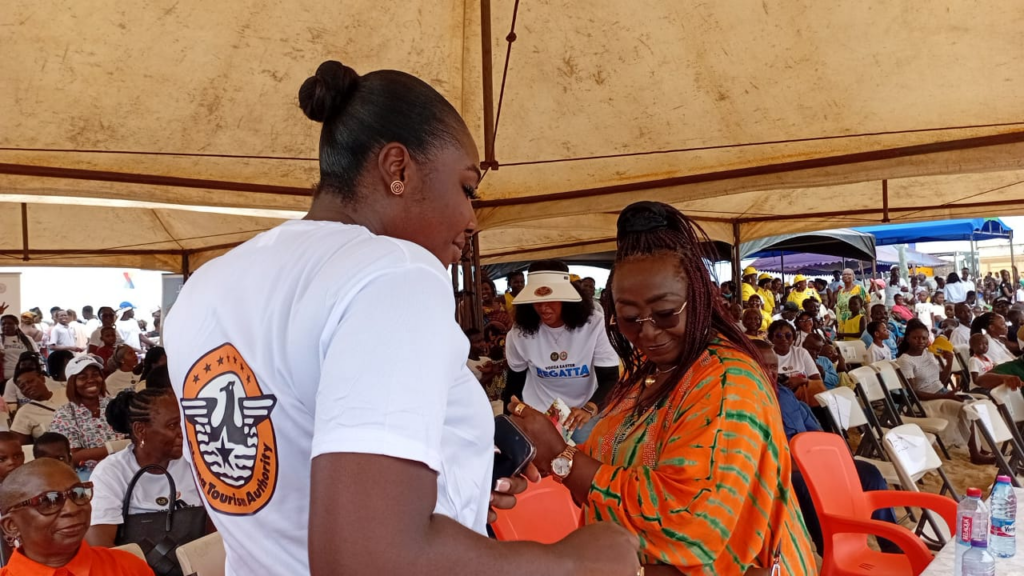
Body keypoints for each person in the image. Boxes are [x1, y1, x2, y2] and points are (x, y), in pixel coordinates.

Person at [164, 60, 639, 576]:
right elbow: (368, 558)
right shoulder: (393, 272)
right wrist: (573, 562)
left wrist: (455, 487)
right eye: (467, 189)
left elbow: (286, 475)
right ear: (398, 169)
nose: (472, 220)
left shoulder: (206, 287)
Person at [509, 201, 815, 574]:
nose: (648, 332)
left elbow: (688, 519)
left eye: (666, 313)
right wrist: (543, 452)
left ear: (697, 297)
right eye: (630, 318)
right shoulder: (649, 375)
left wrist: (563, 458)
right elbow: (618, 460)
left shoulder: (727, 383)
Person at [752, 339, 899, 555]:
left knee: (869, 473)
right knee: (806, 487)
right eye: (762, 366)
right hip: (784, 469)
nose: (770, 372)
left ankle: (892, 545)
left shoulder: (785, 394)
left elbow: (816, 433)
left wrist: (827, 458)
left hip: (812, 459)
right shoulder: (745, 402)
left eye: (774, 366)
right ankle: (832, 552)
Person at [503, 262, 620, 440]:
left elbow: (610, 378)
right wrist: (509, 427)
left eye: (551, 299)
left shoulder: (594, 325)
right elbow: (514, 383)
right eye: (537, 301)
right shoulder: (519, 334)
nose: (543, 308)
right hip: (540, 414)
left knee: (585, 452)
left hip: (584, 412)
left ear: (567, 298)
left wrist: (589, 409)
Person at [86, 388, 204, 547]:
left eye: (184, 422)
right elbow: (100, 544)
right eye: (173, 425)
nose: (183, 432)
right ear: (140, 430)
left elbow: (219, 525)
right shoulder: (110, 473)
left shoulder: (194, 462)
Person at [0, 459, 155, 576]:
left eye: (78, 493)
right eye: (48, 501)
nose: (72, 509)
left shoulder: (127, 566)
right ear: (11, 525)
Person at [897, 320, 991, 464]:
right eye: (916, 338)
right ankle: (975, 454)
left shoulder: (928, 353)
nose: (920, 341)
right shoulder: (905, 360)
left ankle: (983, 447)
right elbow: (913, 393)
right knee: (964, 408)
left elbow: (940, 379)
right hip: (924, 400)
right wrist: (944, 395)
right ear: (908, 338)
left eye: (924, 338)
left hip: (941, 392)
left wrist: (949, 363)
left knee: (975, 404)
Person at [50, 356, 125, 478]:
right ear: (72, 383)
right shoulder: (65, 414)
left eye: (95, 375)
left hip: (124, 466)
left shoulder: (116, 404)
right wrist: (118, 447)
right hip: (89, 475)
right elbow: (73, 457)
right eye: (82, 377)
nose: (91, 380)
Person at [769, 319, 828, 412]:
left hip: (805, 399)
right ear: (771, 338)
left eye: (788, 335)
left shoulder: (801, 353)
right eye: (779, 335)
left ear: (793, 337)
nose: (784, 339)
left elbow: (817, 381)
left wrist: (802, 380)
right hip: (779, 399)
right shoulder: (767, 355)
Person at [10, 363, 68, 443]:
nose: (27, 387)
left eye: (30, 381)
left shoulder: (66, 393)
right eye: (22, 386)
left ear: (42, 379)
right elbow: (17, 444)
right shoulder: (24, 412)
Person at [0, 315, 39, 383]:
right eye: (3, 324)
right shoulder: (0, 339)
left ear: (17, 325)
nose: (6, 326)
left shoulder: (27, 339)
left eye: (10, 323)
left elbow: (36, 355)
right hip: (5, 378)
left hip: (24, 376)